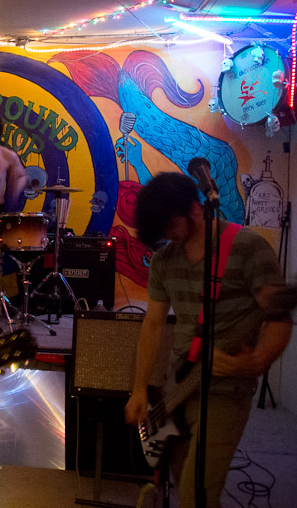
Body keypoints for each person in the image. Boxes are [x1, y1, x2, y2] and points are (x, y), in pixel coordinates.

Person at [125, 172, 292, 508]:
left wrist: (258, 360)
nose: (167, 235)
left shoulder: (248, 247)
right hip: (180, 386)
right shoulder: (164, 259)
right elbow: (153, 325)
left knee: (196, 493)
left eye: (170, 225)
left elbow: (279, 318)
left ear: (194, 208)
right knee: (184, 485)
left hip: (226, 390)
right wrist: (140, 388)